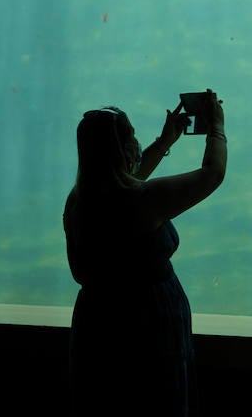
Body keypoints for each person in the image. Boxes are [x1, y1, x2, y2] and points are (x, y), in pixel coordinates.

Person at [63, 91, 227, 417]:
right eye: (132, 138)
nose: (136, 145)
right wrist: (217, 128)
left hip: (98, 323)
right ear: (122, 149)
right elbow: (213, 174)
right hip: (149, 325)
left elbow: (128, 179)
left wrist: (166, 140)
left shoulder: (80, 201)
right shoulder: (144, 201)